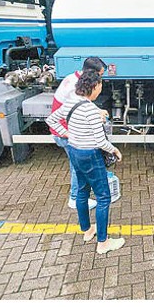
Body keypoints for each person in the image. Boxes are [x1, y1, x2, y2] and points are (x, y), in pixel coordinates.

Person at [46, 70, 125, 255]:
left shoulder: (72, 101)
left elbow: (51, 120)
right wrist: (114, 149)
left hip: (74, 151)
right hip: (90, 155)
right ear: (94, 87)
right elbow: (100, 141)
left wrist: (68, 134)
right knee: (103, 197)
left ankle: (87, 230)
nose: (100, 89)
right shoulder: (90, 110)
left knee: (82, 192)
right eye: (100, 86)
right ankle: (103, 243)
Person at [49, 57, 107, 210]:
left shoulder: (74, 79)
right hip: (65, 132)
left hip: (64, 130)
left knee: (78, 165)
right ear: (91, 73)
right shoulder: (73, 87)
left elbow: (82, 104)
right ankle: (75, 198)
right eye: (100, 75)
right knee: (78, 167)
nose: (100, 79)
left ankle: (79, 196)